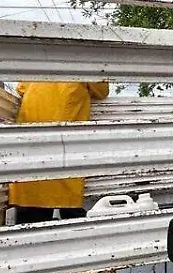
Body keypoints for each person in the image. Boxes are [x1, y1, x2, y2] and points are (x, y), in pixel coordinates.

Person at [9, 81, 110, 224]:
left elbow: (20, 89)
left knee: (31, 210)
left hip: (32, 142)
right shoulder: (84, 64)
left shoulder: (35, 64)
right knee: (69, 211)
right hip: (64, 146)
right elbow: (102, 91)